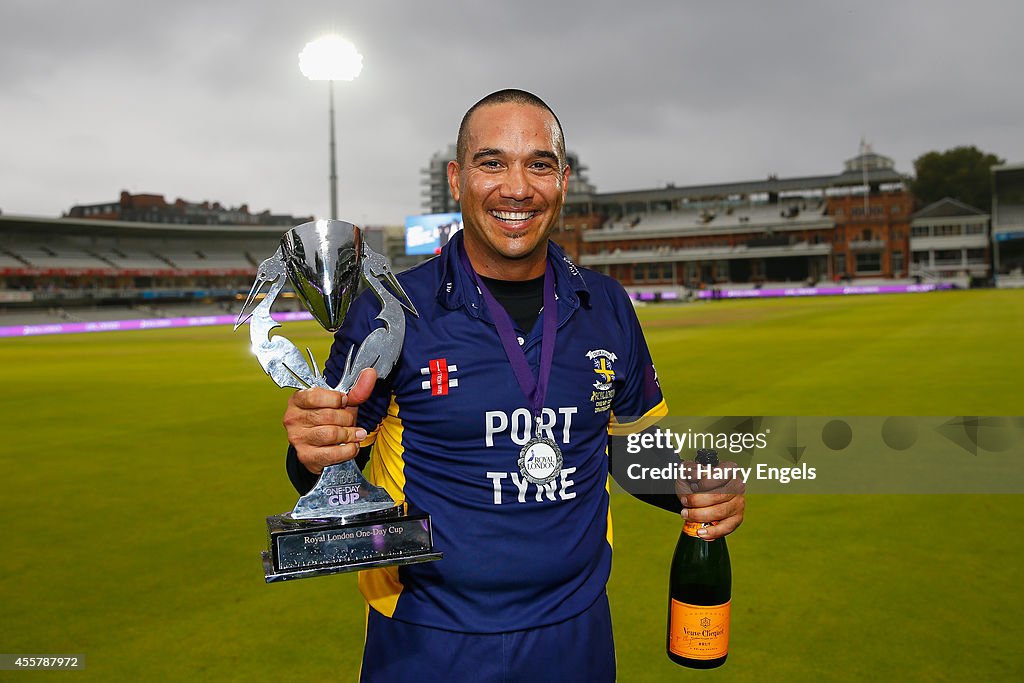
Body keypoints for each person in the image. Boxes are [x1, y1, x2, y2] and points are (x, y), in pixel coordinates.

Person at [283, 89, 745, 682]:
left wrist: (696, 486)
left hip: (573, 629)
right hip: (426, 634)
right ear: (457, 178)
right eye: (492, 162)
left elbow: (634, 452)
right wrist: (311, 450)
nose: (518, 188)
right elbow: (331, 465)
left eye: (540, 164)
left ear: (564, 181)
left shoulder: (605, 305)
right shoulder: (390, 307)